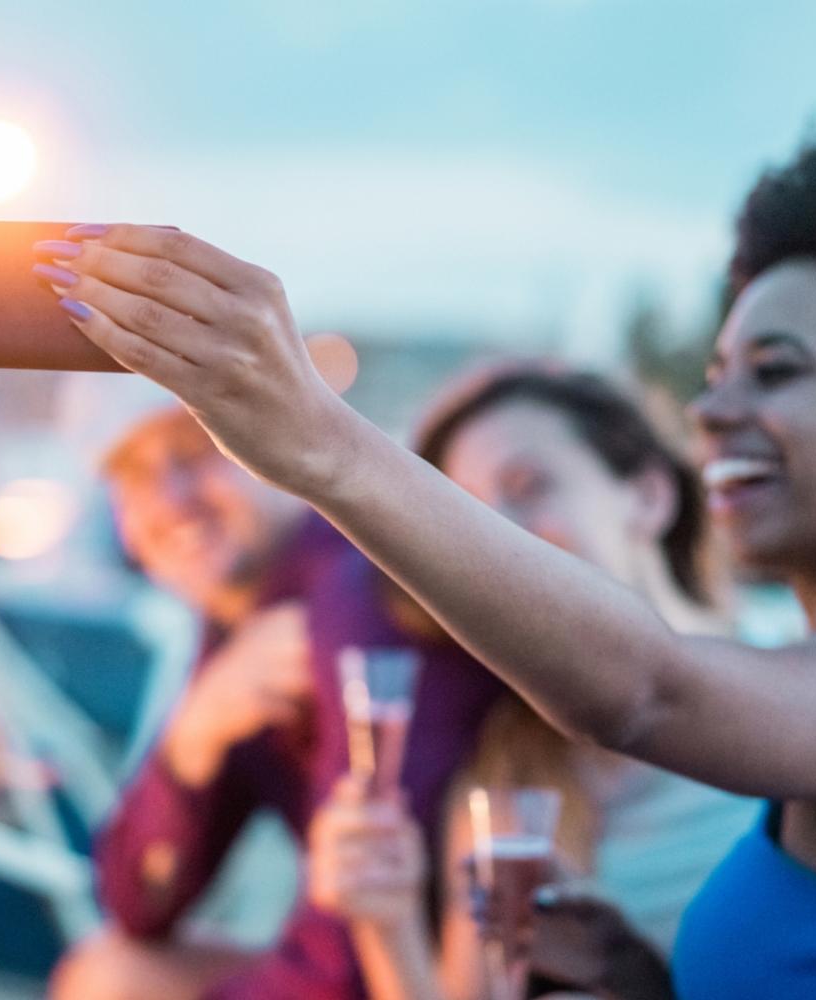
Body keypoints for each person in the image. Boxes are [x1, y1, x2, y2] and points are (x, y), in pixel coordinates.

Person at [36, 122, 816, 997]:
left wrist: (316, 440)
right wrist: (648, 982)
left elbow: (646, 688)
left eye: (777, 371)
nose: (713, 411)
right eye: (715, 375)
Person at [308, 370, 755, 1000]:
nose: (493, 540)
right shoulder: (510, 779)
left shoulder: (807, 684)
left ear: (649, 495)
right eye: (467, 519)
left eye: (528, 487)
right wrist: (386, 922)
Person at [48, 403, 508, 1000]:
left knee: (106, 984)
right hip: (411, 959)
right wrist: (191, 738)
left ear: (276, 447)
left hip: (458, 973)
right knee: (111, 975)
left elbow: (352, 945)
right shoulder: (237, 627)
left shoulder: (356, 592)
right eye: (133, 476)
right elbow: (136, 907)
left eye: (198, 451)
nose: (169, 500)